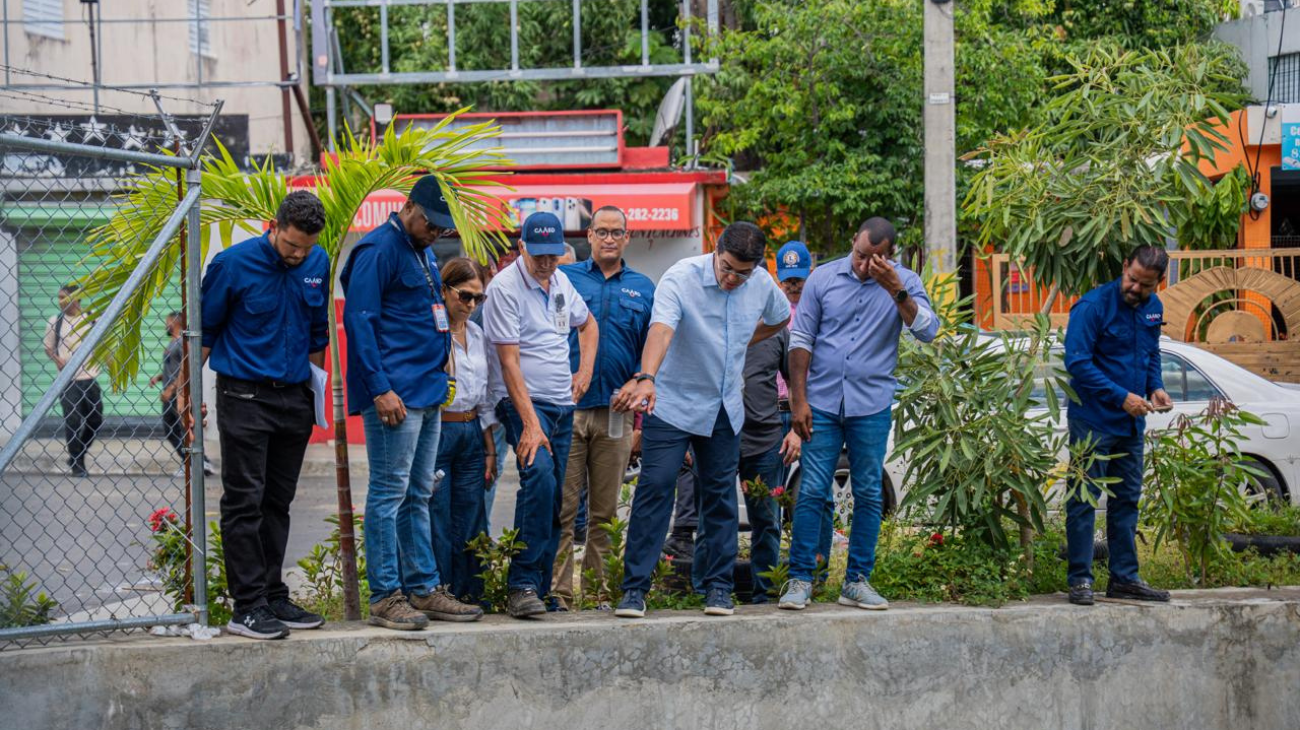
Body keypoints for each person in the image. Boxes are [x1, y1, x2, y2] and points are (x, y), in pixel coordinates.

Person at [613, 221, 789, 619]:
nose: (732, 278)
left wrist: (745, 339)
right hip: (671, 402)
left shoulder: (761, 284)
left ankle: (719, 588)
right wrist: (647, 377)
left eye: (743, 273)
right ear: (715, 248)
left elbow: (779, 318)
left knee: (720, 498)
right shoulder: (681, 277)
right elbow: (661, 330)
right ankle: (634, 589)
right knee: (656, 489)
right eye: (727, 268)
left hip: (723, 407)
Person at [341, 175, 484, 631]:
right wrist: (380, 388)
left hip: (426, 391)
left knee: (419, 493)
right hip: (395, 396)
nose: (436, 232)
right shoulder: (377, 250)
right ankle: (385, 595)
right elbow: (360, 322)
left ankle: (423, 587)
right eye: (431, 223)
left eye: (442, 227)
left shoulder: (421, 251)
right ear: (409, 208)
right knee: (389, 493)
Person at [779, 217, 938, 612]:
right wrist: (799, 401)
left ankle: (856, 581)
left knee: (868, 491)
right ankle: (800, 580)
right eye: (860, 254)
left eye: (875, 259)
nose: (865, 265)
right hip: (822, 404)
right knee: (812, 489)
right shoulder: (823, 279)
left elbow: (928, 330)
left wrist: (896, 290)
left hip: (870, 406)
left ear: (890, 256)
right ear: (853, 241)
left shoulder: (903, 282)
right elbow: (801, 340)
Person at [200, 191, 331, 640]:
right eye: (291, 245)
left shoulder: (317, 262)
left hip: (294, 398)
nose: (298, 255)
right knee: (245, 502)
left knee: (278, 502)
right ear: (273, 227)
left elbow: (317, 333)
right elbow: (204, 333)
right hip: (244, 397)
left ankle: (274, 595)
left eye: (306, 248)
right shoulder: (231, 265)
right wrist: (186, 395)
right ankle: (247, 606)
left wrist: (315, 394)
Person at [483, 211, 599, 617]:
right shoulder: (504, 288)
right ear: (522, 248)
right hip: (523, 404)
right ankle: (522, 585)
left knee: (556, 497)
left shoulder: (561, 281)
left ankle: (542, 587)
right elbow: (509, 362)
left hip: (562, 405)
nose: (547, 263)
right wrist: (531, 424)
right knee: (540, 479)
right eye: (539, 256)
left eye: (553, 255)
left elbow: (588, 325)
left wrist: (584, 372)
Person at [551, 206, 654, 611]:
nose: (609, 239)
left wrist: (639, 393)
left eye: (617, 232)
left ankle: (597, 592)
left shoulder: (643, 287)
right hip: (568, 411)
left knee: (605, 512)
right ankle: (558, 594)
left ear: (627, 238)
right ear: (589, 235)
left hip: (617, 414)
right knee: (562, 509)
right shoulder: (565, 279)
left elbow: (651, 349)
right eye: (602, 232)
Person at [1062, 245, 1173, 606]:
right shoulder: (1092, 306)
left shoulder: (1154, 308)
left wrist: (1155, 386)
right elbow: (1077, 363)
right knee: (1083, 500)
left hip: (1131, 424)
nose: (1135, 288)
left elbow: (1151, 353)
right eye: (1132, 279)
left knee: (1126, 500)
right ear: (1125, 266)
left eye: (1145, 285)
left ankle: (1125, 578)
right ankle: (1080, 579)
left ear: (1159, 281)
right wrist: (1122, 396)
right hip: (1092, 420)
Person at [429, 257, 497, 603]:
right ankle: (439, 591)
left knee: (472, 514)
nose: (471, 305)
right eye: (464, 296)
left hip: (471, 430)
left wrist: (489, 448)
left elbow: (484, 396)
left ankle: (470, 592)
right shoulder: (431, 331)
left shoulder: (477, 334)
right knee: (438, 516)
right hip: (438, 430)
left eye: (478, 298)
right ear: (445, 290)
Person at [774, 240, 832, 558]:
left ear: (810, 272)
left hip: (811, 411)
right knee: (771, 490)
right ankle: (771, 565)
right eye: (788, 279)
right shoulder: (773, 311)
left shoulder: (820, 311)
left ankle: (818, 562)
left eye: (798, 278)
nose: (793, 285)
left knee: (817, 488)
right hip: (774, 411)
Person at [736, 317, 801, 603]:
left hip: (764, 439)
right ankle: (711, 590)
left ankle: (764, 594)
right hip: (717, 437)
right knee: (714, 517)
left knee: (766, 520)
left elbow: (795, 380)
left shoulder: (776, 331)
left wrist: (796, 430)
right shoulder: (714, 320)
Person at [43, 284, 103, 478]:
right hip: (68, 381)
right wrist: (56, 359)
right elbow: (48, 347)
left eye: (63, 297)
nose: (59, 301)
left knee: (95, 419)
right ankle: (78, 465)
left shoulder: (93, 317)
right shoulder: (55, 322)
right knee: (73, 421)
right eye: (59, 297)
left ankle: (78, 454)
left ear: (76, 298)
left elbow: (105, 340)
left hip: (90, 377)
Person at [150, 311, 213, 477]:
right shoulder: (173, 343)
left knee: (181, 428)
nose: (166, 325)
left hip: (176, 393)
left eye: (168, 322)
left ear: (175, 322)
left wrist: (171, 389)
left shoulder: (181, 343)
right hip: (170, 392)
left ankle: (197, 462)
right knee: (172, 429)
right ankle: (193, 462)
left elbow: (184, 368)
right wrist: (159, 378)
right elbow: (173, 367)